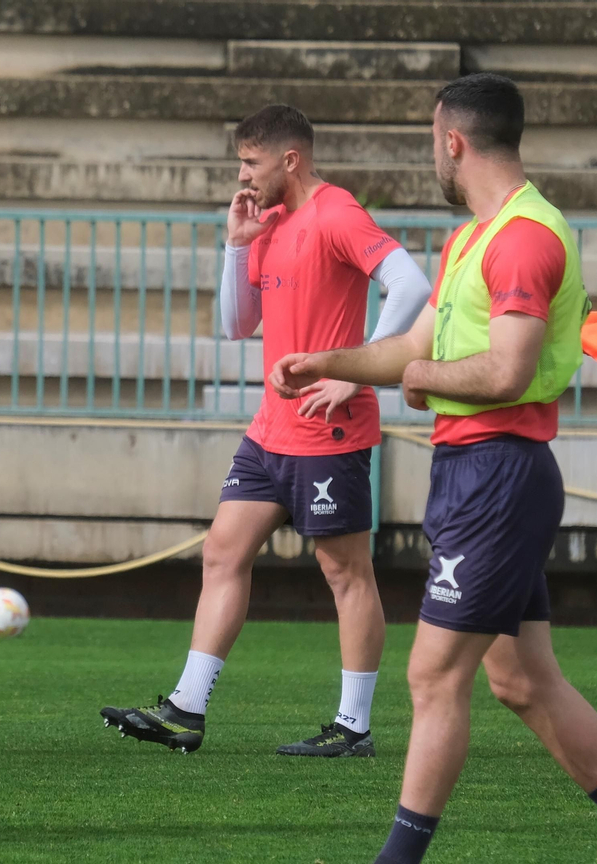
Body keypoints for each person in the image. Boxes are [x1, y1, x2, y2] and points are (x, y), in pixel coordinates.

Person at [269, 73, 597, 863]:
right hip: (477, 475)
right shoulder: (473, 238)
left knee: (431, 677)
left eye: (434, 140)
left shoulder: (524, 236)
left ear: (453, 142)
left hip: (498, 476)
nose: (435, 154)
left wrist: (419, 382)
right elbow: (411, 347)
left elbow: (507, 370)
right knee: (523, 682)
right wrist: (338, 360)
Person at [101, 104, 431, 756]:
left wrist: (357, 371)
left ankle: (355, 726)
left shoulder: (336, 214)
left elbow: (411, 284)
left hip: (329, 429)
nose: (243, 176)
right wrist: (236, 244)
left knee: (345, 573)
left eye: (251, 163)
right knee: (224, 551)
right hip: (272, 428)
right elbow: (235, 324)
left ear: (291, 159)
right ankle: (185, 710)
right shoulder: (270, 221)